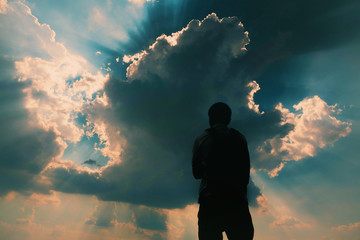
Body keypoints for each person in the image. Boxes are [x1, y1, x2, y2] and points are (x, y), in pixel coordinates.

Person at [192, 102, 254, 240]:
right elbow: (245, 175)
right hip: (237, 201)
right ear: (229, 119)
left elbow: (196, 173)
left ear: (210, 119)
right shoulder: (240, 138)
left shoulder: (202, 139)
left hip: (210, 202)